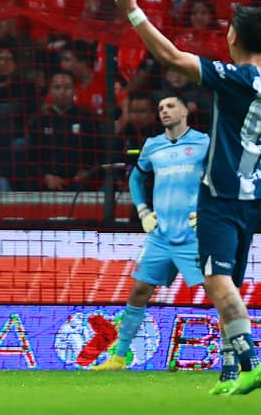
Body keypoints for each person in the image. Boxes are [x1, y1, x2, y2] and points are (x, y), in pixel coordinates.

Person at [112, 0, 261, 395]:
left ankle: (251, 363)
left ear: (234, 36)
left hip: (221, 193)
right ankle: (229, 373)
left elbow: (170, 57)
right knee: (227, 281)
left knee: (215, 279)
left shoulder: (234, 78)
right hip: (255, 193)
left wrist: (133, 12)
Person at [94, 94, 209, 371]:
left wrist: (209, 212)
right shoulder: (152, 146)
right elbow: (136, 178)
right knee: (139, 291)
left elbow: (224, 178)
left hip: (194, 236)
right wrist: (144, 211)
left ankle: (240, 359)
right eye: (160, 108)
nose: (164, 111)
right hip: (160, 237)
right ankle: (119, 358)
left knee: (220, 294)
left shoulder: (204, 142)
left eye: (170, 106)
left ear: (185, 110)